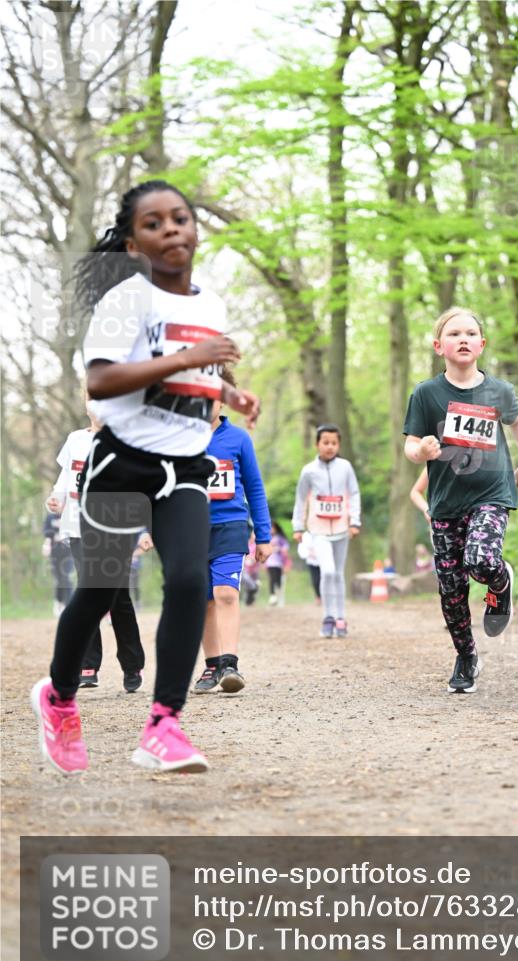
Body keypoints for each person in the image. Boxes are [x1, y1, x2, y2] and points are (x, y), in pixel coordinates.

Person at [30, 179, 259, 775]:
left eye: (179, 218)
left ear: (195, 227)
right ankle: (57, 699)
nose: (171, 230)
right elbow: (101, 382)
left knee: (188, 581)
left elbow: (197, 369)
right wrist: (186, 359)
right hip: (123, 465)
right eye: (154, 224)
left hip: (186, 464)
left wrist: (230, 390)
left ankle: (164, 724)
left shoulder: (208, 305)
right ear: (134, 244)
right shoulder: (127, 300)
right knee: (101, 592)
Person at [403, 306, 518, 694]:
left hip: (491, 493)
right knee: (451, 588)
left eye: (470, 333)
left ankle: (499, 582)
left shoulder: (499, 391)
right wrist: (421, 452)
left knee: (481, 559)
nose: (463, 338)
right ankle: (466, 656)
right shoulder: (427, 394)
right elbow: (410, 444)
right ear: (438, 345)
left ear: (481, 344)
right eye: (454, 333)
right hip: (445, 502)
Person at [45, 401, 146, 692]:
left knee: (117, 597)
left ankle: (131, 664)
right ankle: (88, 663)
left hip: (114, 528)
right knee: (87, 593)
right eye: (93, 398)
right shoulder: (75, 440)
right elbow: (65, 480)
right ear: (85, 404)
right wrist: (55, 501)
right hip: (77, 527)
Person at [193, 392, 272, 694]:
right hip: (193, 528)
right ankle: (212, 664)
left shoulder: (238, 439)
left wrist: (263, 535)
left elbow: (254, 487)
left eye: (210, 399)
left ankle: (230, 664)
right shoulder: (182, 440)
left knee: (225, 592)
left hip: (231, 525)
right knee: (203, 600)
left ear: (222, 402)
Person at [292, 424, 361, 638]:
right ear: (317, 444)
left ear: (338, 444)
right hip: (318, 530)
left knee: (338, 574)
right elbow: (301, 499)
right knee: (328, 570)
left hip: (342, 528)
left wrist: (354, 521)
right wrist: (298, 526)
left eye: (334, 443)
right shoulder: (309, 471)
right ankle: (327, 616)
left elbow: (354, 493)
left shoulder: (346, 467)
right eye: (325, 443)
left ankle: (340, 618)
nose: (330, 447)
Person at [42, 511, 74, 616]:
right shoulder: (50, 516)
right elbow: (47, 532)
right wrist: (47, 544)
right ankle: (59, 602)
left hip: (68, 552)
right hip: (55, 552)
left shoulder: (70, 515)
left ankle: (69, 605)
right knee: (59, 579)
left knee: (66, 577)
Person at [265, 521, 290, 606]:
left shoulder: (280, 538)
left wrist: (280, 549)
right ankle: (272, 595)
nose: (271, 530)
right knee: (272, 578)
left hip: (278, 562)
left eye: (273, 528)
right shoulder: (267, 538)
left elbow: (285, 547)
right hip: (270, 562)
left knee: (278, 580)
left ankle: (278, 596)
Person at [297, 530, 321, 604]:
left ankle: (326, 596)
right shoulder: (305, 535)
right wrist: (309, 553)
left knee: (325, 579)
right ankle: (318, 596)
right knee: (315, 581)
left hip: (322, 561)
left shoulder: (321, 533)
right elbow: (301, 549)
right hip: (312, 562)